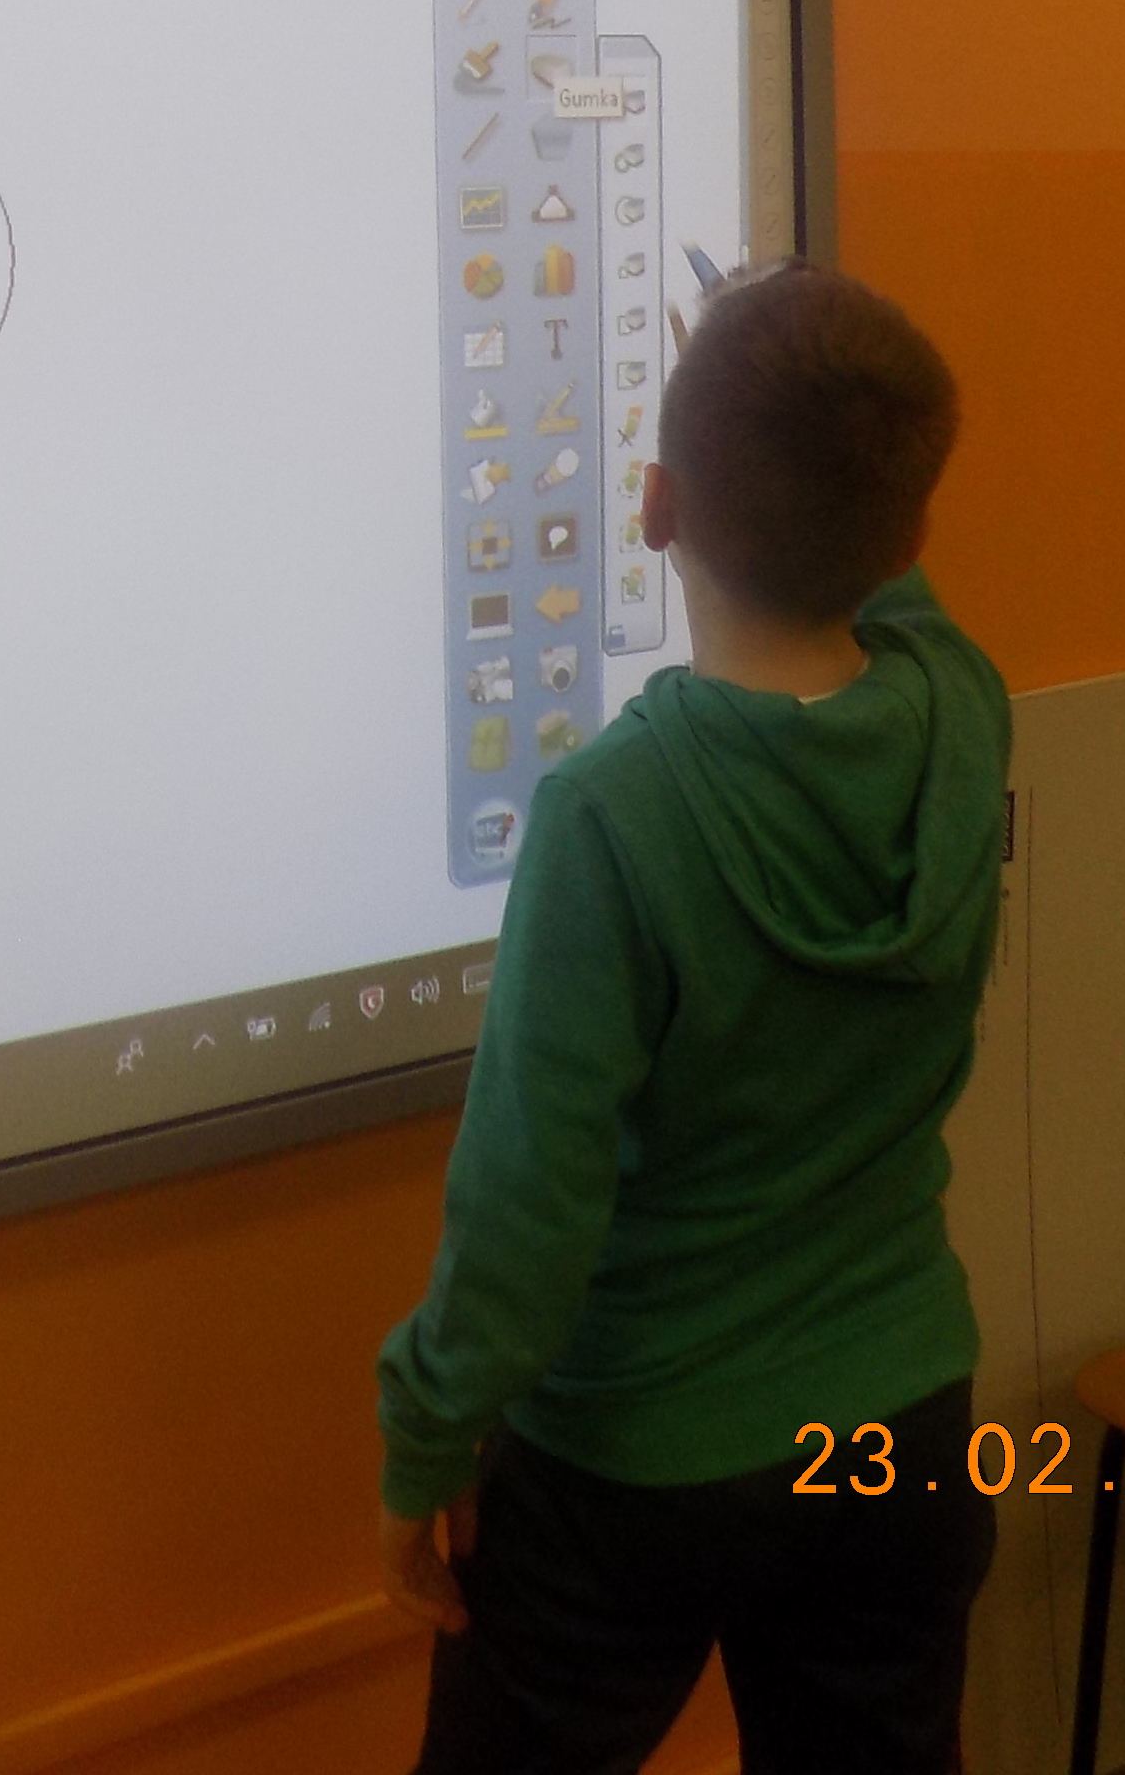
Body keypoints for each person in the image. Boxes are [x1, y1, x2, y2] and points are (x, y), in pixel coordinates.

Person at [375, 264, 1007, 1775]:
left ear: (654, 506)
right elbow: (880, 562)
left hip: (633, 1470)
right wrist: (787, 387)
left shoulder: (613, 810)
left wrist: (427, 1439)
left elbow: (526, 1200)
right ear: (909, 537)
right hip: (902, 1432)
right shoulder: (962, 708)